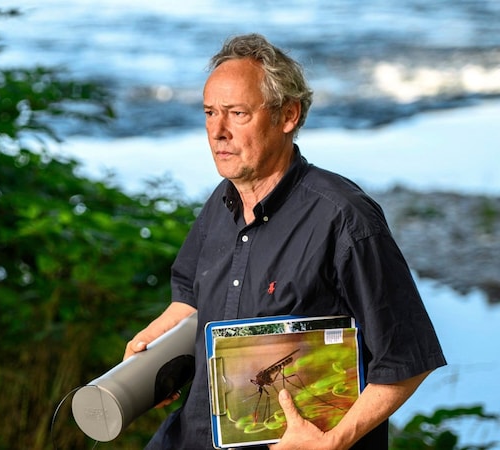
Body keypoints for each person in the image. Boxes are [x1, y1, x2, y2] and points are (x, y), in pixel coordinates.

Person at [123, 33, 446, 450]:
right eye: (209, 112)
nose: (218, 131)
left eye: (237, 113)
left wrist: (333, 441)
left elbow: (408, 358)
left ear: (288, 115)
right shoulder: (219, 205)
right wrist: (151, 353)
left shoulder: (345, 218)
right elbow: (190, 301)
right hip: (191, 437)